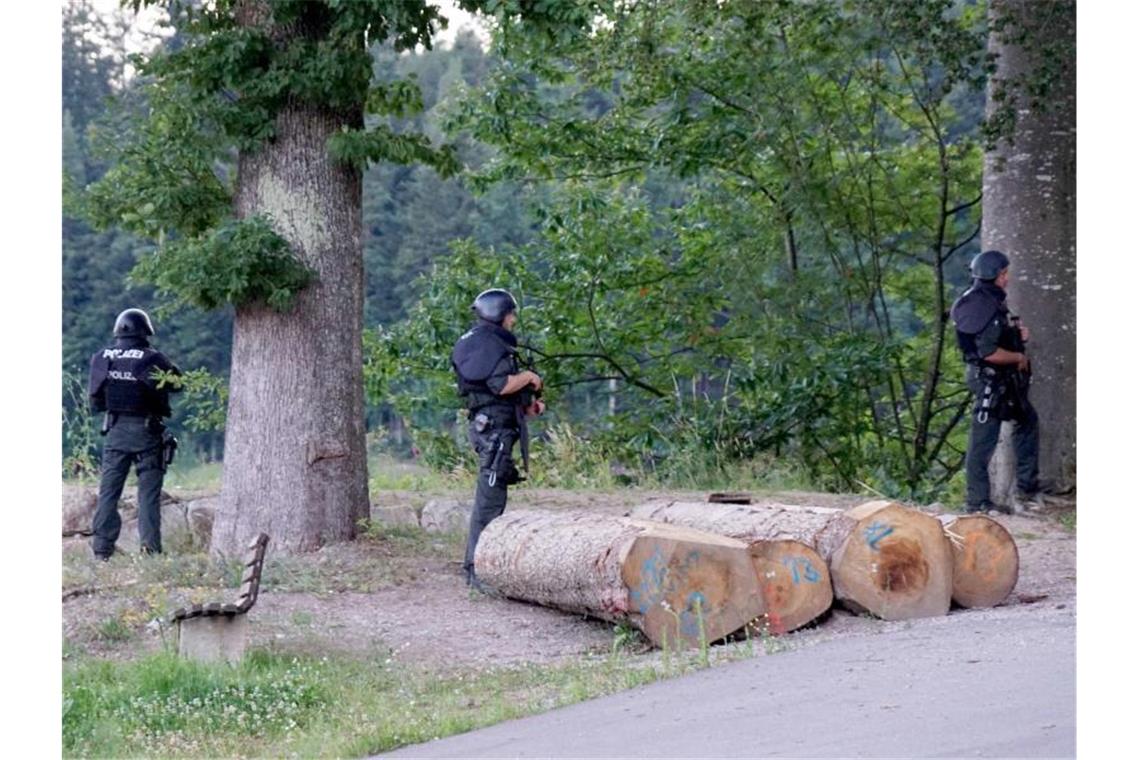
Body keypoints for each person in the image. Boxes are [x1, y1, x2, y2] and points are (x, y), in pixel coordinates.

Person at [451, 289, 545, 591]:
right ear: (500, 313)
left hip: (492, 426)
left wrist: (528, 405)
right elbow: (500, 384)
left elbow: (493, 392)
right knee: (488, 501)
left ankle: (481, 567)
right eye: (511, 313)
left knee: (494, 496)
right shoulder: (490, 345)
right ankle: (476, 571)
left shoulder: (481, 343)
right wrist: (529, 377)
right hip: (494, 433)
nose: (514, 319)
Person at [88, 308, 182, 559]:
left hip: (115, 431)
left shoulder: (101, 357)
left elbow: (95, 401)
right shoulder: (151, 359)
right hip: (147, 433)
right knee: (148, 495)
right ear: (145, 330)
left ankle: (101, 551)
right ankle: (150, 552)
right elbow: (177, 384)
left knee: (109, 493)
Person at [950, 250, 1040, 514]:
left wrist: (1015, 334)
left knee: (1026, 420)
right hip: (990, 381)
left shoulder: (981, 300)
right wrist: (1018, 356)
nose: (1008, 277)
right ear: (999, 276)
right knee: (983, 439)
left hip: (998, 380)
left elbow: (991, 337)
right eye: (1005, 273)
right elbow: (988, 352)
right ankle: (978, 502)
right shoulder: (985, 304)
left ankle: (1026, 490)